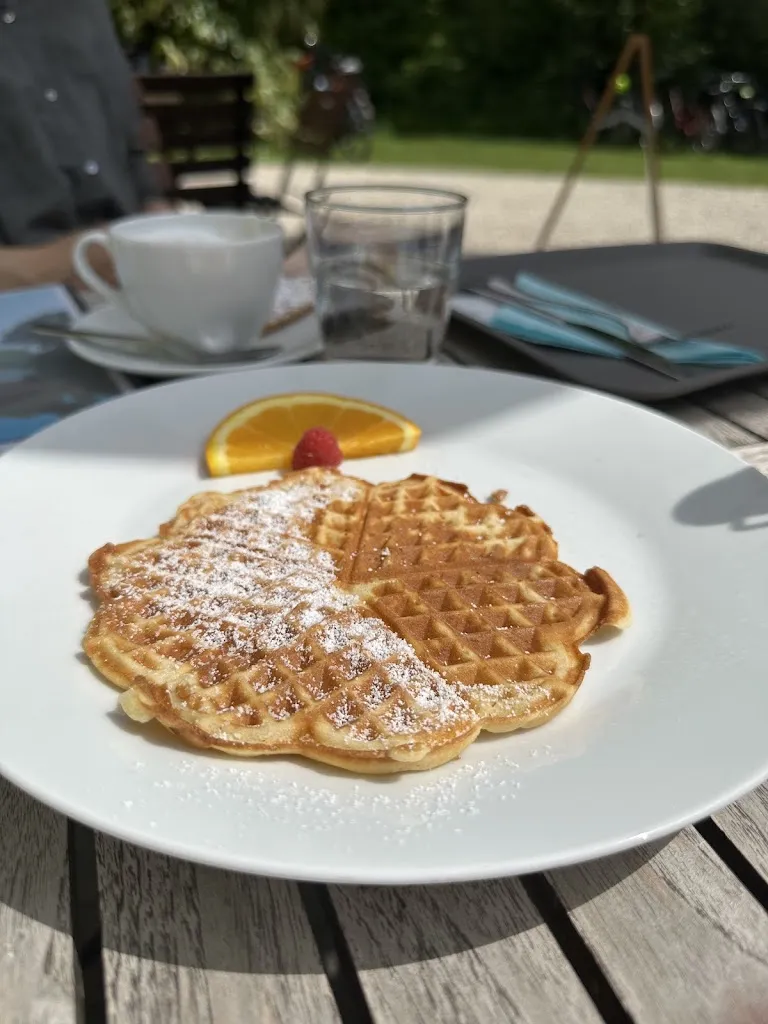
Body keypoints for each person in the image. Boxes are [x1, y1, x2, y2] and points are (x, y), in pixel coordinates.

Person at [0, 0, 167, 292]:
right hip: (20, 307)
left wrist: (164, 225)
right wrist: (61, 266)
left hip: (136, 288)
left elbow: (133, 153)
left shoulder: (81, 9)